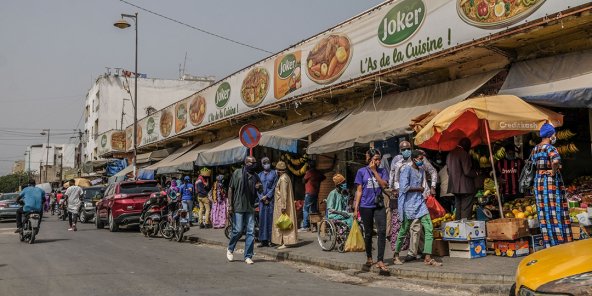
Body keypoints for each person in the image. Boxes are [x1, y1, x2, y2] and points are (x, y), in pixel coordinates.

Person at [393, 150, 442, 267]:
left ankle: (428, 257)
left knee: (429, 228)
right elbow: (403, 188)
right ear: (414, 159)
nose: (422, 161)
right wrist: (418, 189)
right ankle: (396, 255)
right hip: (408, 205)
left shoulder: (421, 171)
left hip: (420, 203)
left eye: (422, 159)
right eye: (420, 159)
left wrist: (426, 189)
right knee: (404, 230)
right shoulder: (406, 170)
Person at [531, 123, 572, 248]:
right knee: (555, 210)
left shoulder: (535, 149)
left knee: (543, 212)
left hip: (538, 182)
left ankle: (548, 243)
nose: (555, 136)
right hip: (550, 182)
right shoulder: (550, 148)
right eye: (554, 133)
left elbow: (534, 164)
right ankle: (560, 242)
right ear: (550, 135)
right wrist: (553, 171)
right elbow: (555, 161)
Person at [354, 148, 389, 272]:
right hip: (365, 206)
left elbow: (384, 184)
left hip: (378, 205)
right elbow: (359, 190)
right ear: (370, 159)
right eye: (376, 159)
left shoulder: (382, 171)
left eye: (379, 159)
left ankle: (380, 260)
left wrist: (375, 172)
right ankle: (369, 257)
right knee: (368, 233)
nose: (378, 162)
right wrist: (356, 207)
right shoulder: (361, 172)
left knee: (382, 231)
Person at [227, 156, 262, 265]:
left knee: (251, 231)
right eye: (253, 162)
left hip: (250, 206)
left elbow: (261, 189)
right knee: (238, 229)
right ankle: (230, 249)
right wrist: (230, 205)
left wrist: (259, 187)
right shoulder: (237, 173)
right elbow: (230, 188)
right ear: (247, 163)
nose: (255, 164)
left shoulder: (256, 176)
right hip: (238, 205)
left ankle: (248, 256)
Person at [446, 138, 478, 220]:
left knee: (458, 207)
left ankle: (458, 228)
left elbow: (448, 171)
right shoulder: (463, 154)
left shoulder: (450, 154)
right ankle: (465, 229)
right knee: (466, 208)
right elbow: (467, 171)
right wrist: (476, 173)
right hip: (465, 187)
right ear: (466, 145)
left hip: (454, 186)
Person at [272, 161, 298, 249]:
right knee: (283, 223)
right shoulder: (285, 177)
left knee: (283, 223)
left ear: (279, 171)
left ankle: (284, 242)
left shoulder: (283, 179)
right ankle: (282, 241)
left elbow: (284, 193)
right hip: (282, 203)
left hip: (282, 204)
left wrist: (283, 206)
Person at [299, 161, 326, 232]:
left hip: (309, 193)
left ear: (309, 166)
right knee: (313, 210)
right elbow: (324, 177)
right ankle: (314, 226)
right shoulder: (318, 173)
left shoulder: (309, 172)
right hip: (315, 193)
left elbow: (303, 181)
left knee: (305, 209)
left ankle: (305, 226)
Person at [258, 157, 278, 247]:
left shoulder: (274, 174)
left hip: (270, 201)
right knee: (262, 220)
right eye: (265, 163)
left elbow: (275, 186)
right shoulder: (259, 175)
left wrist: (268, 196)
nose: (267, 164)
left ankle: (270, 240)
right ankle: (263, 240)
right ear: (262, 164)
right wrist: (262, 197)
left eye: (268, 162)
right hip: (262, 201)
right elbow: (257, 188)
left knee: (270, 220)